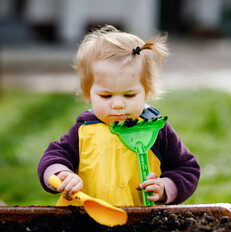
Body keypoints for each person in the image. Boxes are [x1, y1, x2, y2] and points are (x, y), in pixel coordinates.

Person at [38, 25, 200, 206]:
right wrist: (62, 175)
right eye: (106, 96)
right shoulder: (84, 131)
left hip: (142, 221)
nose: (117, 104)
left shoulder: (154, 130)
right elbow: (53, 157)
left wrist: (165, 187)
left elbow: (187, 169)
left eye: (129, 95)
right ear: (88, 93)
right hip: (84, 219)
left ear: (146, 92)